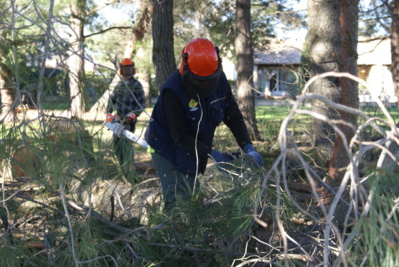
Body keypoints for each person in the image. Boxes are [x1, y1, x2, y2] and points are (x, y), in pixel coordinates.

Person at [145, 38, 263, 211]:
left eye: (209, 79)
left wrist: (248, 147)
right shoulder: (173, 90)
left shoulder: (220, 81)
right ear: (186, 70)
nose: (205, 84)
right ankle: (169, 232)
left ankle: (187, 227)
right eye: (200, 80)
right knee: (179, 198)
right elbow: (180, 137)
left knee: (192, 192)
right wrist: (212, 154)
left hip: (193, 143)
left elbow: (233, 116)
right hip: (166, 145)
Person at [106, 58, 146, 184]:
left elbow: (141, 104)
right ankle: (122, 172)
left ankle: (130, 174)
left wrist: (133, 114)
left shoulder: (137, 85)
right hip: (118, 119)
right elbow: (112, 99)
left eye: (129, 68)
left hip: (129, 122)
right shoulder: (119, 85)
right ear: (121, 70)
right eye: (125, 68)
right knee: (117, 146)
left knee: (126, 147)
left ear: (133, 70)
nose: (127, 70)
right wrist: (108, 113)